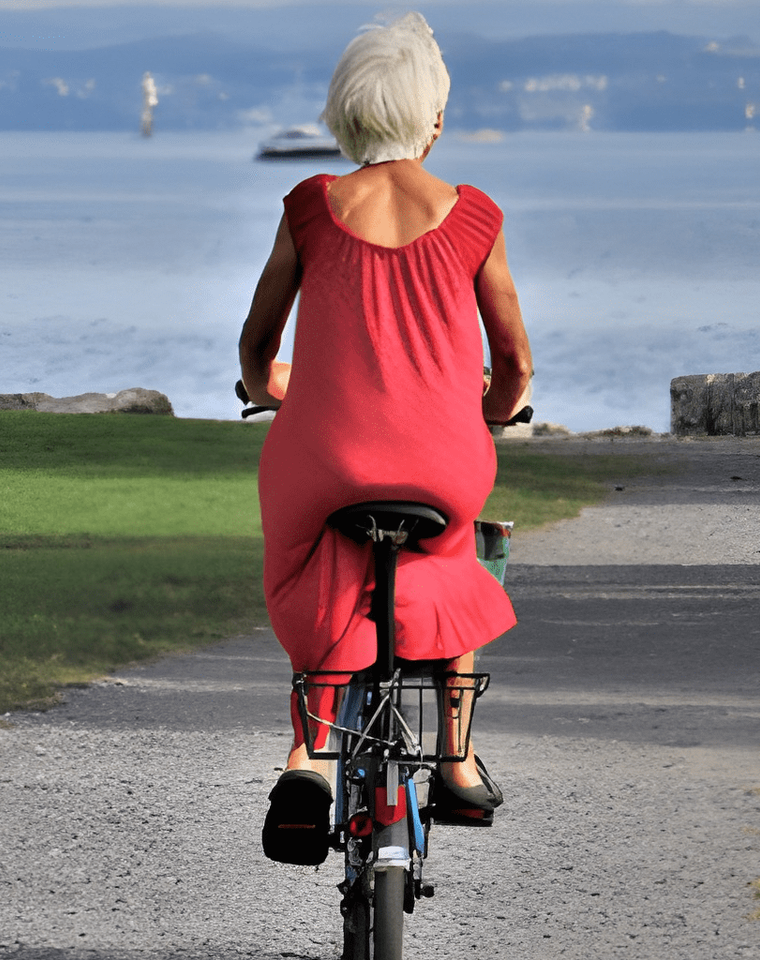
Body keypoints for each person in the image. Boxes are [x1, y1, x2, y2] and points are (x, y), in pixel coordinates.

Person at [238, 12, 533, 865]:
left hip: (326, 461)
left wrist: (272, 390)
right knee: (452, 557)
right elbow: (512, 359)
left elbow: (259, 348)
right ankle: (456, 754)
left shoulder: (311, 208)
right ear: (434, 119)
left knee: (319, 550)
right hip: (440, 466)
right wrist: (494, 408)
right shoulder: (474, 216)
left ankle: (309, 759)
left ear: (342, 115)